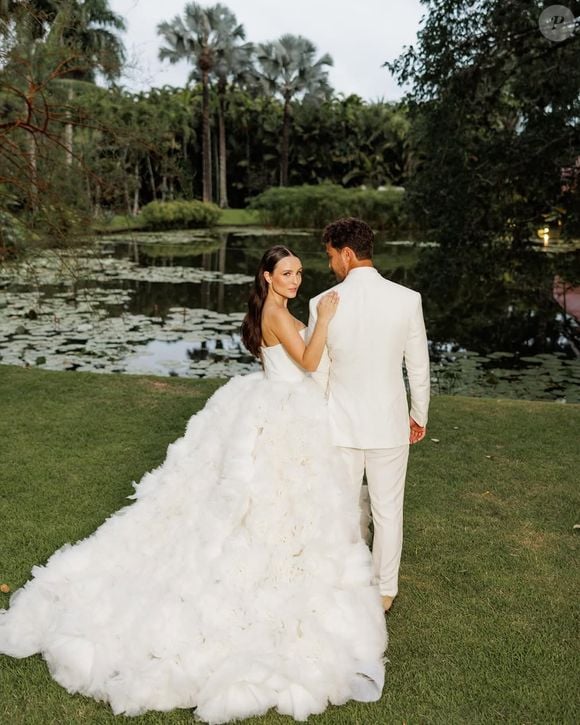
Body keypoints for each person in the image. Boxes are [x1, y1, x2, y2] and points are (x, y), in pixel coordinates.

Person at [0, 245, 387, 725]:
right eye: (286, 273)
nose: (295, 280)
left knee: (284, 503)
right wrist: (326, 318)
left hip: (278, 405)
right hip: (287, 414)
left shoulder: (275, 310)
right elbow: (308, 362)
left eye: (299, 272)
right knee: (273, 501)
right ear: (267, 277)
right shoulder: (277, 312)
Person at [307, 218, 430, 613]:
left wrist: (314, 421)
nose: (330, 266)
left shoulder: (321, 303)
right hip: (390, 422)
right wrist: (419, 415)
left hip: (338, 424)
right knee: (388, 510)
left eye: (330, 256)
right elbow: (419, 367)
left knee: (341, 507)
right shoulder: (406, 299)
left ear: (346, 253)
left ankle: (341, 580)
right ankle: (384, 592)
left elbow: (319, 373)